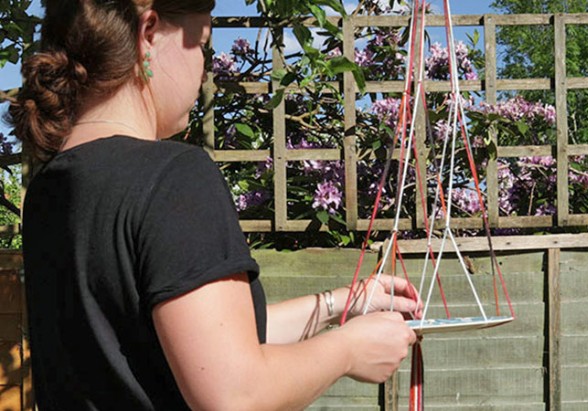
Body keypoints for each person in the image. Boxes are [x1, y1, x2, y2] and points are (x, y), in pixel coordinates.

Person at [8, 1, 421, 409]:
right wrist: (348, 349)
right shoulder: (171, 176)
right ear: (148, 33)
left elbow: (200, 340)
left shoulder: (51, 190)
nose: (204, 68)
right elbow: (235, 394)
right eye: (201, 44)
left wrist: (338, 305)